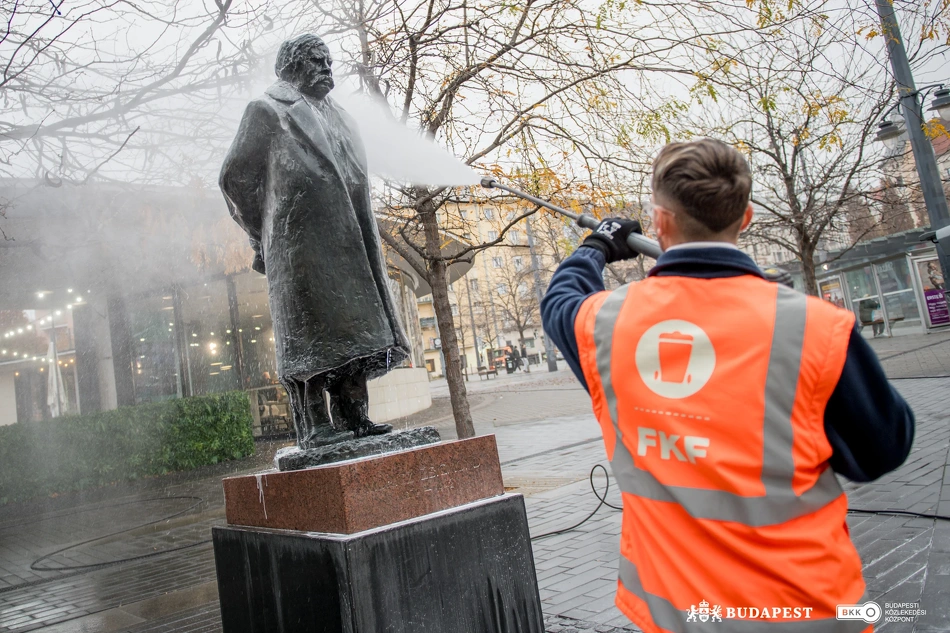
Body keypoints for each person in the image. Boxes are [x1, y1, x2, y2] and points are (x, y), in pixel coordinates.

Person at [541, 139, 914, 632]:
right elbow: (880, 451)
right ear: (746, 217)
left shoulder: (605, 324)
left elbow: (561, 298)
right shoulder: (816, 328)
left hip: (674, 615)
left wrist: (596, 245)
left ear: (660, 221)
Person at [220, 34, 410, 449]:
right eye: (315, 60)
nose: (327, 68)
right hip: (299, 245)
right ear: (290, 67)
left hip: (351, 243)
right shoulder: (267, 110)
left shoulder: (341, 115)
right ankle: (314, 422)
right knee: (310, 335)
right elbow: (235, 179)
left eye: (328, 60)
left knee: (354, 326)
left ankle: (354, 414)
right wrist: (265, 234)